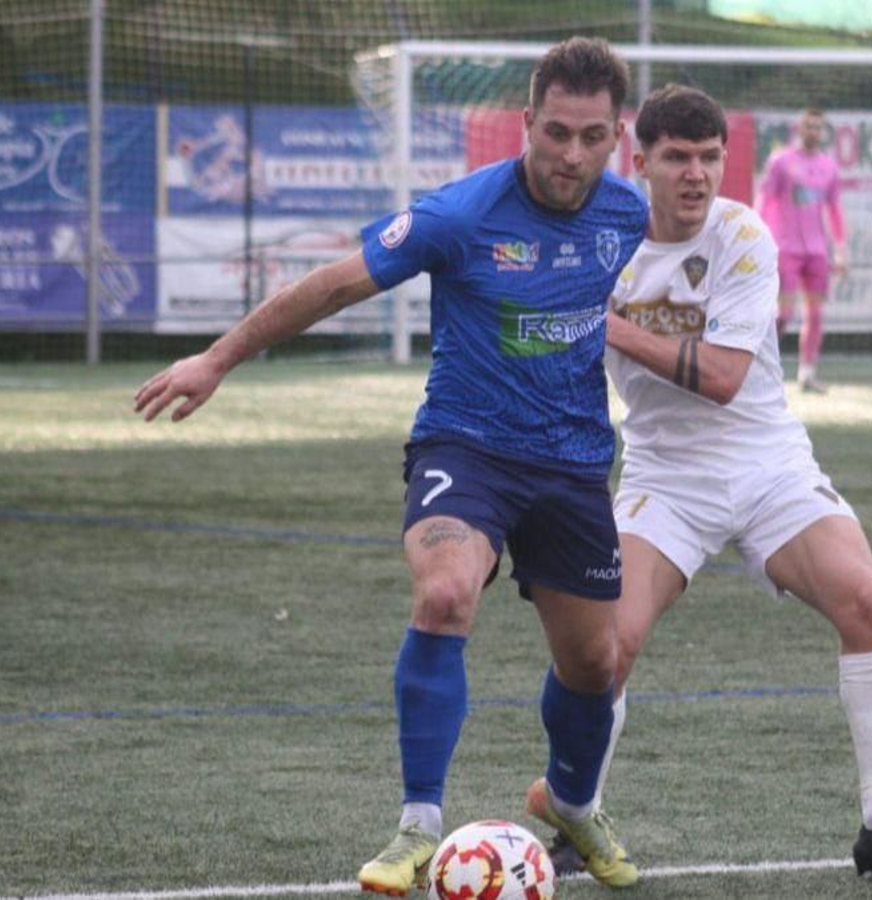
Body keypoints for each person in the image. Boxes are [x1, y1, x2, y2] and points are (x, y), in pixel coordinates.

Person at [133, 37, 647, 896]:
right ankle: (417, 826)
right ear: (526, 121)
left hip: (572, 465)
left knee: (597, 666)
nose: (570, 155)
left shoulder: (625, 215)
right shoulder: (461, 215)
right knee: (445, 593)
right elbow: (335, 285)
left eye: (591, 137)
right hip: (466, 448)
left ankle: (570, 802)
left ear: (616, 134)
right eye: (555, 132)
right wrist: (216, 359)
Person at [538, 84, 872, 884]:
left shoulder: (743, 233)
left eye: (709, 158)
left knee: (865, 601)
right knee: (607, 649)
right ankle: (575, 821)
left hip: (768, 462)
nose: (695, 175)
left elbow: (725, 378)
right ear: (641, 160)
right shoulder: (601, 241)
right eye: (676, 158)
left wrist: (606, 322)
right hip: (666, 475)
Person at [756, 108, 845, 394]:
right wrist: (759, 237)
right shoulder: (782, 162)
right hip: (787, 248)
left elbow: (834, 210)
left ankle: (807, 374)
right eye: (809, 127)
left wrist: (840, 249)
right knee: (783, 313)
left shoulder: (829, 166)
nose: (813, 132)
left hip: (817, 250)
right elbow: (766, 199)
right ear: (799, 128)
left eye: (818, 128)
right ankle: (759, 367)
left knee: (816, 314)